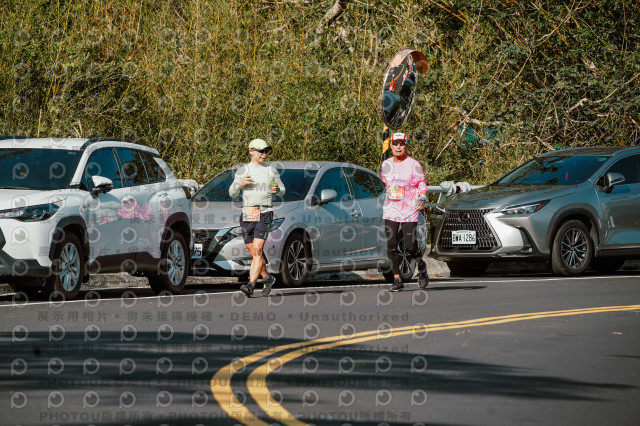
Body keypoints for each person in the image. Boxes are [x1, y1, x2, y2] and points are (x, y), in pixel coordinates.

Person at [229, 139, 285, 297]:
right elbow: (231, 193)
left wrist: (277, 189)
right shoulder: (243, 170)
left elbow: (283, 189)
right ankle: (267, 278)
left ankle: (251, 285)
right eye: (261, 151)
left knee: (257, 249)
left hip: (265, 213)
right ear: (251, 151)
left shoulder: (271, 170)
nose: (264, 154)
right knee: (253, 253)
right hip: (248, 214)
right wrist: (240, 183)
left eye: (266, 151)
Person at [380, 132, 429, 291]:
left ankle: (421, 266)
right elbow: (385, 183)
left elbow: (421, 184)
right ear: (391, 146)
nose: (398, 147)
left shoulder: (414, 164)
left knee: (410, 245)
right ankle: (397, 279)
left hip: (409, 209)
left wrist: (422, 197)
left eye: (402, 144)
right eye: (395, 143)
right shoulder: (386, 164)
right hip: (391, 209)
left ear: (406, 146)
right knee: (391, 244)